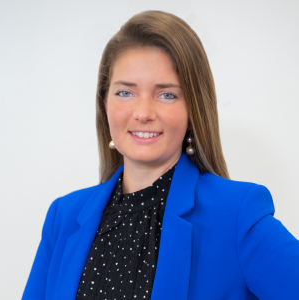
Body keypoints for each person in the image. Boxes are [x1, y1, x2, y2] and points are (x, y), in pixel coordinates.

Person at [22, 10, 299, 300]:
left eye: (166, 95)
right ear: (104, 104)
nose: (143, 114)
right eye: (125, 93)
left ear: (193, 109)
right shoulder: (63, 217)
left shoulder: (236, 214)